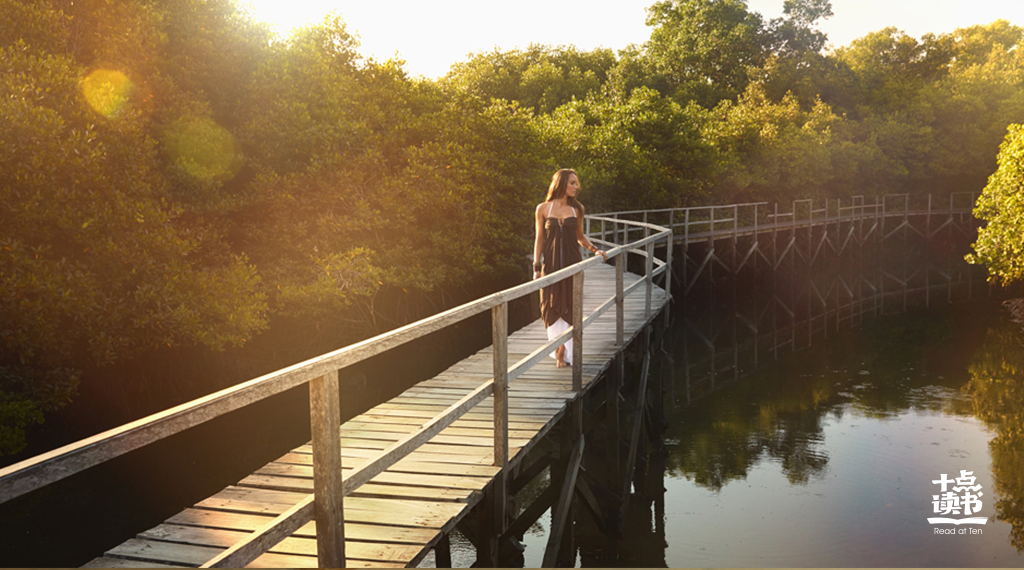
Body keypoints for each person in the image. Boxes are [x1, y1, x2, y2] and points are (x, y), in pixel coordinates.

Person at [533, 169, 607, 368]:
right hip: (551, 266)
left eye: (577, 183)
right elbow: (539, 239)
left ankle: (562, 352)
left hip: (573, 265)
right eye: (573, 183)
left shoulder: (577, 209)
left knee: (570, 304)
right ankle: (558, 347)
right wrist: (536, 267)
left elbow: (580, 237)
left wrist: (595, 250)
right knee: (550, 305)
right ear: (562, 183)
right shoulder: (542, 208)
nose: (577, 187)